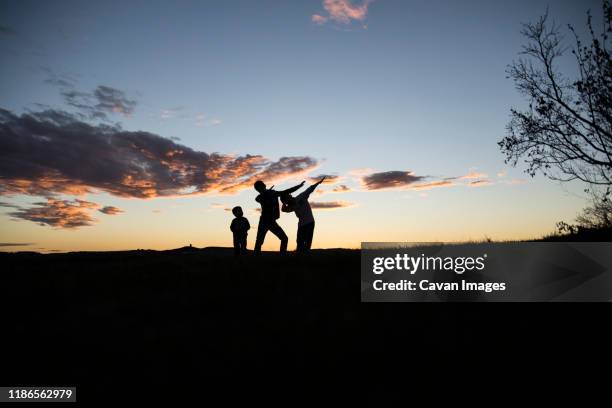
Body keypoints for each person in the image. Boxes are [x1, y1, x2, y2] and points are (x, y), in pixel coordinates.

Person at [253, 179, 305, 254]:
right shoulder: (267, 194)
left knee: (260, 241)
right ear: (262, 187)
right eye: (261, 186)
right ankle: (281, 256)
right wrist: (299, 186)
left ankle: (281, 256)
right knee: (260, 241)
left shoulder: (268, 194)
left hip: (267, 221)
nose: (264, 185)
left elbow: (286, 191)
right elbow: (286, 191)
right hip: (266, 221)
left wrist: (299, 186)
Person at [281, 176, 325, 252]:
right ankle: (300, 256)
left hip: (310, 222)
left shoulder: (301, 196)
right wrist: (284, 203)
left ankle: (305, 255)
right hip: (301, 224)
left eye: (288, 195)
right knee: (299, 242)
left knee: (307, 242)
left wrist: (318, 183)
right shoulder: (291, 207)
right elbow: (283, 210)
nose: (289, 195)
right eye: (286, 197)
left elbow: (310, 189)